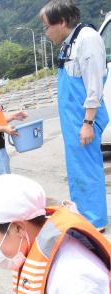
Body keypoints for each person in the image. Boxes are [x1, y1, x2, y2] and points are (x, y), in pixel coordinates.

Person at [41, 0, 109, 230]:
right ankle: (83, 215)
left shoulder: (87, 39)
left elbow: (94, 86)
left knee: (88, 169)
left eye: (46, 27)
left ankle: (94, 220)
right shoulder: (70, 43)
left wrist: (88, 122)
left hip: (83, 120)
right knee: (78, 169)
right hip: (73, 122)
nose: (46, 33)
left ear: (61, 22)